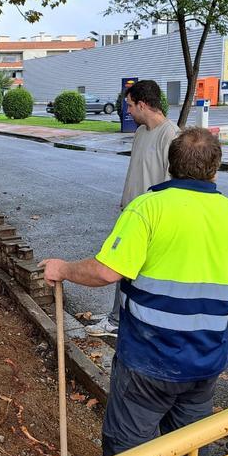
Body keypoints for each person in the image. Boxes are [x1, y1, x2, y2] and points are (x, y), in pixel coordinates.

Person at [39, 127, 228, 456]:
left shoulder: (148, 208)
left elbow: (106, 272)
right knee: (188, 448)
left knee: (128, 449)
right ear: (214, 169)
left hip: (148, 359)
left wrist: (62, 269)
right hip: (205, 362)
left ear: (171, 164)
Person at [85, 80, 179, 337]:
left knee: (128, 268)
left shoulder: (171, 135)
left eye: (129, 105)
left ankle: (119, 320)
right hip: (132, 212)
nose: (127, 111)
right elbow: (137, 171)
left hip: (152, 218)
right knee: (125, 267)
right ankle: (119, 316)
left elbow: (172, 183)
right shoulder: (141, 133)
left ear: (143, 104)